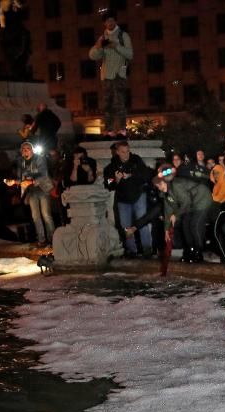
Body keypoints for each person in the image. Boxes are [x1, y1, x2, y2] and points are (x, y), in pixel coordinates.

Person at [153, 164, 213, 263]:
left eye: (160, 184)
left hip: (202, 197)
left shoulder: (176, 185)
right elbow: (168, 211)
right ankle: (190, 250)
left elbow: (186, 202)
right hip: (192, 204)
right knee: (185, 225)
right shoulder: (165, 194)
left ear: (165, 182)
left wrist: (176, 215)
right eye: (157, 186)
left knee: (195, 224)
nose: (159, 187)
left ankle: (198, 252)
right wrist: (166, 230)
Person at [88, 11, 133, 139]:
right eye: (107, 21)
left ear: (116, 21)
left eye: (112, 20)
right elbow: (92, 56)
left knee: (119, 103)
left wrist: (116, 46)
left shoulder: (123, 36)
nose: (110, 23)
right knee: (107, 105)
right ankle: (109, 130)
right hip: (106, 76)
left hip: (119, 75)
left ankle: (121, 130)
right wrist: (98, 47)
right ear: (104, 23)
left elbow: (130, 54)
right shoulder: (102, 37)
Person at [106, 141, 152, 257]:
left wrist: (131, 175)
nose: (126, 154)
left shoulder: (136, 160)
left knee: (142, 221)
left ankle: (147, 248)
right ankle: (132, 250)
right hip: (123, 199)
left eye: (127, 151)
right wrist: (116, 179)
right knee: (125, 225)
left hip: (138, 195)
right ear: (117, 152)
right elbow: (108, 183)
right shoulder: (112, 166)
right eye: (123, 152)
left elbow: (146, 175)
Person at [5, 142, 56, 247]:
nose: (25, 150)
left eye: (28, 148)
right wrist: (13, 182)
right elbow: (21, 179)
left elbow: (44, 175)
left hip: (43, 188)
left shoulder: (39, 159)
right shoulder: (21, 162)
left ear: (32, 150)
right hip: (32, 191)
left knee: (46, 214)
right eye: (23, 149)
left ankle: (53, 239)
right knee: (35, 216)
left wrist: (31, 181)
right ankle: (41, 240)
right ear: (21, 151)